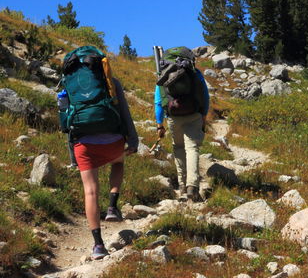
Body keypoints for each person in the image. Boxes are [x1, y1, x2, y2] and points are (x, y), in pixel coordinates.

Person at [59, 47, 138, 261]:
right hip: (113, 141)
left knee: (90, 192)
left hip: (83, 145)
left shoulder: (67, 84)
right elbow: (124, 113)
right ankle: (113, 206)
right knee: (119, 161)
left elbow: (65, 122)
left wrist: (72, 157)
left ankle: (98, 245)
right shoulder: (111, 81)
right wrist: (133, 140)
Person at [154, 47, 209, 202]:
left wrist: (159, 124)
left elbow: (158, 101)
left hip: (173, 116)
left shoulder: (163, 76)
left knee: (178, 148)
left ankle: (182, 185)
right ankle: (193, 186)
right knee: (192, 148)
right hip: (194, 114)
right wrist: (203, 116)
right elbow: (205, 96)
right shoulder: (195, 73)